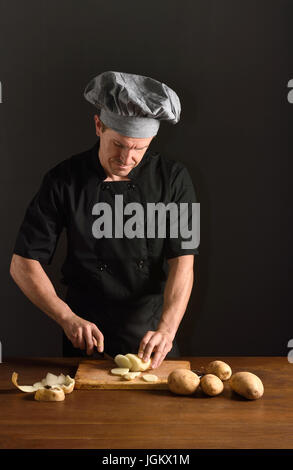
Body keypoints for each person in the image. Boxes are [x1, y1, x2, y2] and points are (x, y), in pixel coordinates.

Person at [9, 71, 199, 369]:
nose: (127, 158)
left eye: (139, 149)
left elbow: (183, 262)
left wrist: (167, 330)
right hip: (84, 337)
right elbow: (22, 264)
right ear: (99, 126)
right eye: (119, 145)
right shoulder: (64, 180)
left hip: (151, 338)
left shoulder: (173, 179)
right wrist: (67, 318)